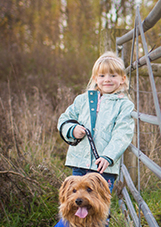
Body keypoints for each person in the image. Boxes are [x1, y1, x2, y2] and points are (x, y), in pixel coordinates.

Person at [57, 51, 135, 189]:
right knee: (77, 201)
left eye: (113, 75)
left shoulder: (124, 105)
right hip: (80, 163)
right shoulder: (82, 100)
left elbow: (122, 134)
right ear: (95, 78)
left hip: (103, 167)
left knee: (99, 204)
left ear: (122, 78)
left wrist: (108, 157)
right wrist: (72, 130)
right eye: (102, 75)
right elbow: (65, 119)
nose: (107, 79)